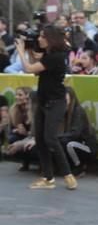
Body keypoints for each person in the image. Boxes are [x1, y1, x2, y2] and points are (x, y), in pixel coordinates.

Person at [15, 25, 78, 190]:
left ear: (50, 38)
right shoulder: (50, 55)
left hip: (56, 102)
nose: (39, 39)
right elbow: (37, 70)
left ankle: (68, 175)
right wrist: (30, 52)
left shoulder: (55, 57)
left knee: (50, 138)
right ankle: (47, 178)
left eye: (42, 36)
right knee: (41, 139)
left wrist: (21, 50)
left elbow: (29, 69)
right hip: (43, 101)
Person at [59, 87, 98, 177]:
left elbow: (75, 134)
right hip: (75, 142)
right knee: (60, 142)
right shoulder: (63, 112)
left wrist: (57, 137)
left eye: (65, 100)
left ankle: (79, 167)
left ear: (71, 99)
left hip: (86, 146)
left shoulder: (78, 111)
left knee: (68, 143)